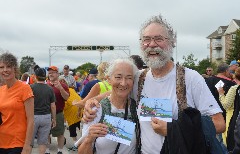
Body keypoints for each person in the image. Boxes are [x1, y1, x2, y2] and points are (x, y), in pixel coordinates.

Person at [83, 14, 225, 154]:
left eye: (158, 39)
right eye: (146, 40)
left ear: (171, 42)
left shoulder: (190, 78)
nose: (151, 44)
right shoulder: (139, 78)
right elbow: (119, 90)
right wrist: (92, 101)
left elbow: (219, 124)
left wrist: (173, 129)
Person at [78, 58, 140, 154]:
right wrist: (89, 139)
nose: (123, 83)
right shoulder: (96, 110)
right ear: (109, 79)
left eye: (129, 77)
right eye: (118, 77)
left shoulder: (138, 108)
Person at [0, 52, 34, 154]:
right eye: (2, 67)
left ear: (15, 68)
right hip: (1, 142)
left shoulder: (25, 88)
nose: (5, 70)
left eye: (8, 66)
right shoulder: (1, 90)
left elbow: (31, 119)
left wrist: (27, 145)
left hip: (17, 143)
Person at [29, 67, 56, 154]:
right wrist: (54, 119)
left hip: (33, 116)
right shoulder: (49, 89)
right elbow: (53, 106)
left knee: (29, 142)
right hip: (46, 117)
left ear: (35, 76)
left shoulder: (30, 87)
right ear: (45, 77)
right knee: (43, 142)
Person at [46, 66, 70, 154]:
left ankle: (60, 150)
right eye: (49, 73)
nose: (50, 74)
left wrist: (60, 88)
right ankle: (47, 150)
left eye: (53, 72)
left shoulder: (63, 85)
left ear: (57, 74)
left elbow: (66, 97)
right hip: (47, 113)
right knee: (46, 133)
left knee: (60, 133)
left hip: (58, 113)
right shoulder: (46, 85)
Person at [58, 76, 82, 152]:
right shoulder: (71, 89)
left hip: (73, 113)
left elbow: (64, 105)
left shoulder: (64, 92)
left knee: (73, 130)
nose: (62, 83)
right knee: (80, 128)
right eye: (61, 81)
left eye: (63, 81)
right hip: (80, 111)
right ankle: (80, 143)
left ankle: (76, 144)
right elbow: (78, 98)